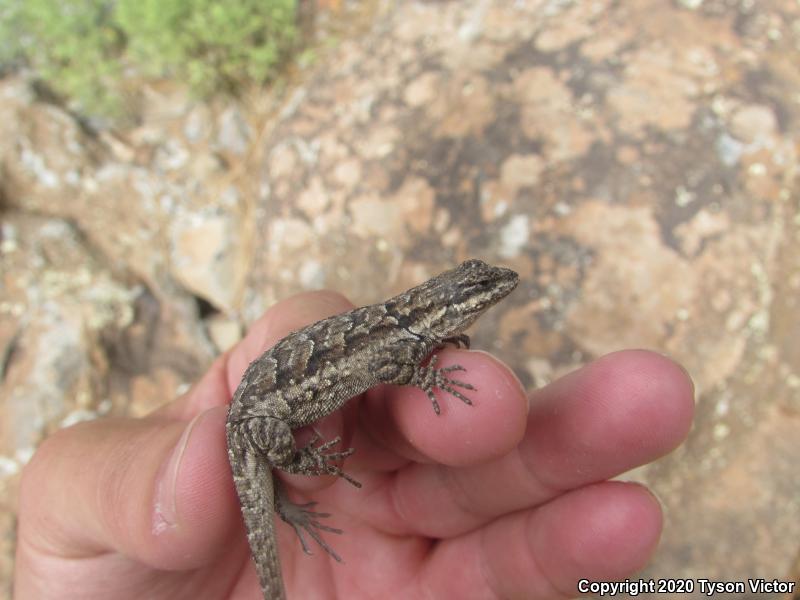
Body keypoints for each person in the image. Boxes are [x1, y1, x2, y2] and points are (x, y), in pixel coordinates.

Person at [14, 290, 694, 599]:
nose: (493, 295)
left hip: (277, 407)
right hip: (261, 419)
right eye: (480, 293)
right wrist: (425, 368)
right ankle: (293, 500)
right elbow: (388, 366)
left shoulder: (411, 326)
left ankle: (293, 505)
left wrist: (433, 352)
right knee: (277, 471)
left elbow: (387, 360)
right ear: (451, 305)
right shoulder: (402, 336)